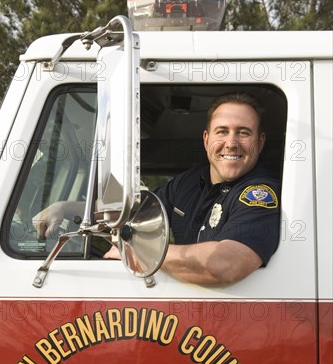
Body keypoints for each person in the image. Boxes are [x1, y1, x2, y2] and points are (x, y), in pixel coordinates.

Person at [33, 92, 280, 286]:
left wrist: (132, 251)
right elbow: (127, 212)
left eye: (243, 133)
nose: (231, 143)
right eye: (222, 132)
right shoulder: (190, 181)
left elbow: (227, 264)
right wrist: (63, 208)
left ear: (260, 142)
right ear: (206, 140)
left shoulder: (260, 194)